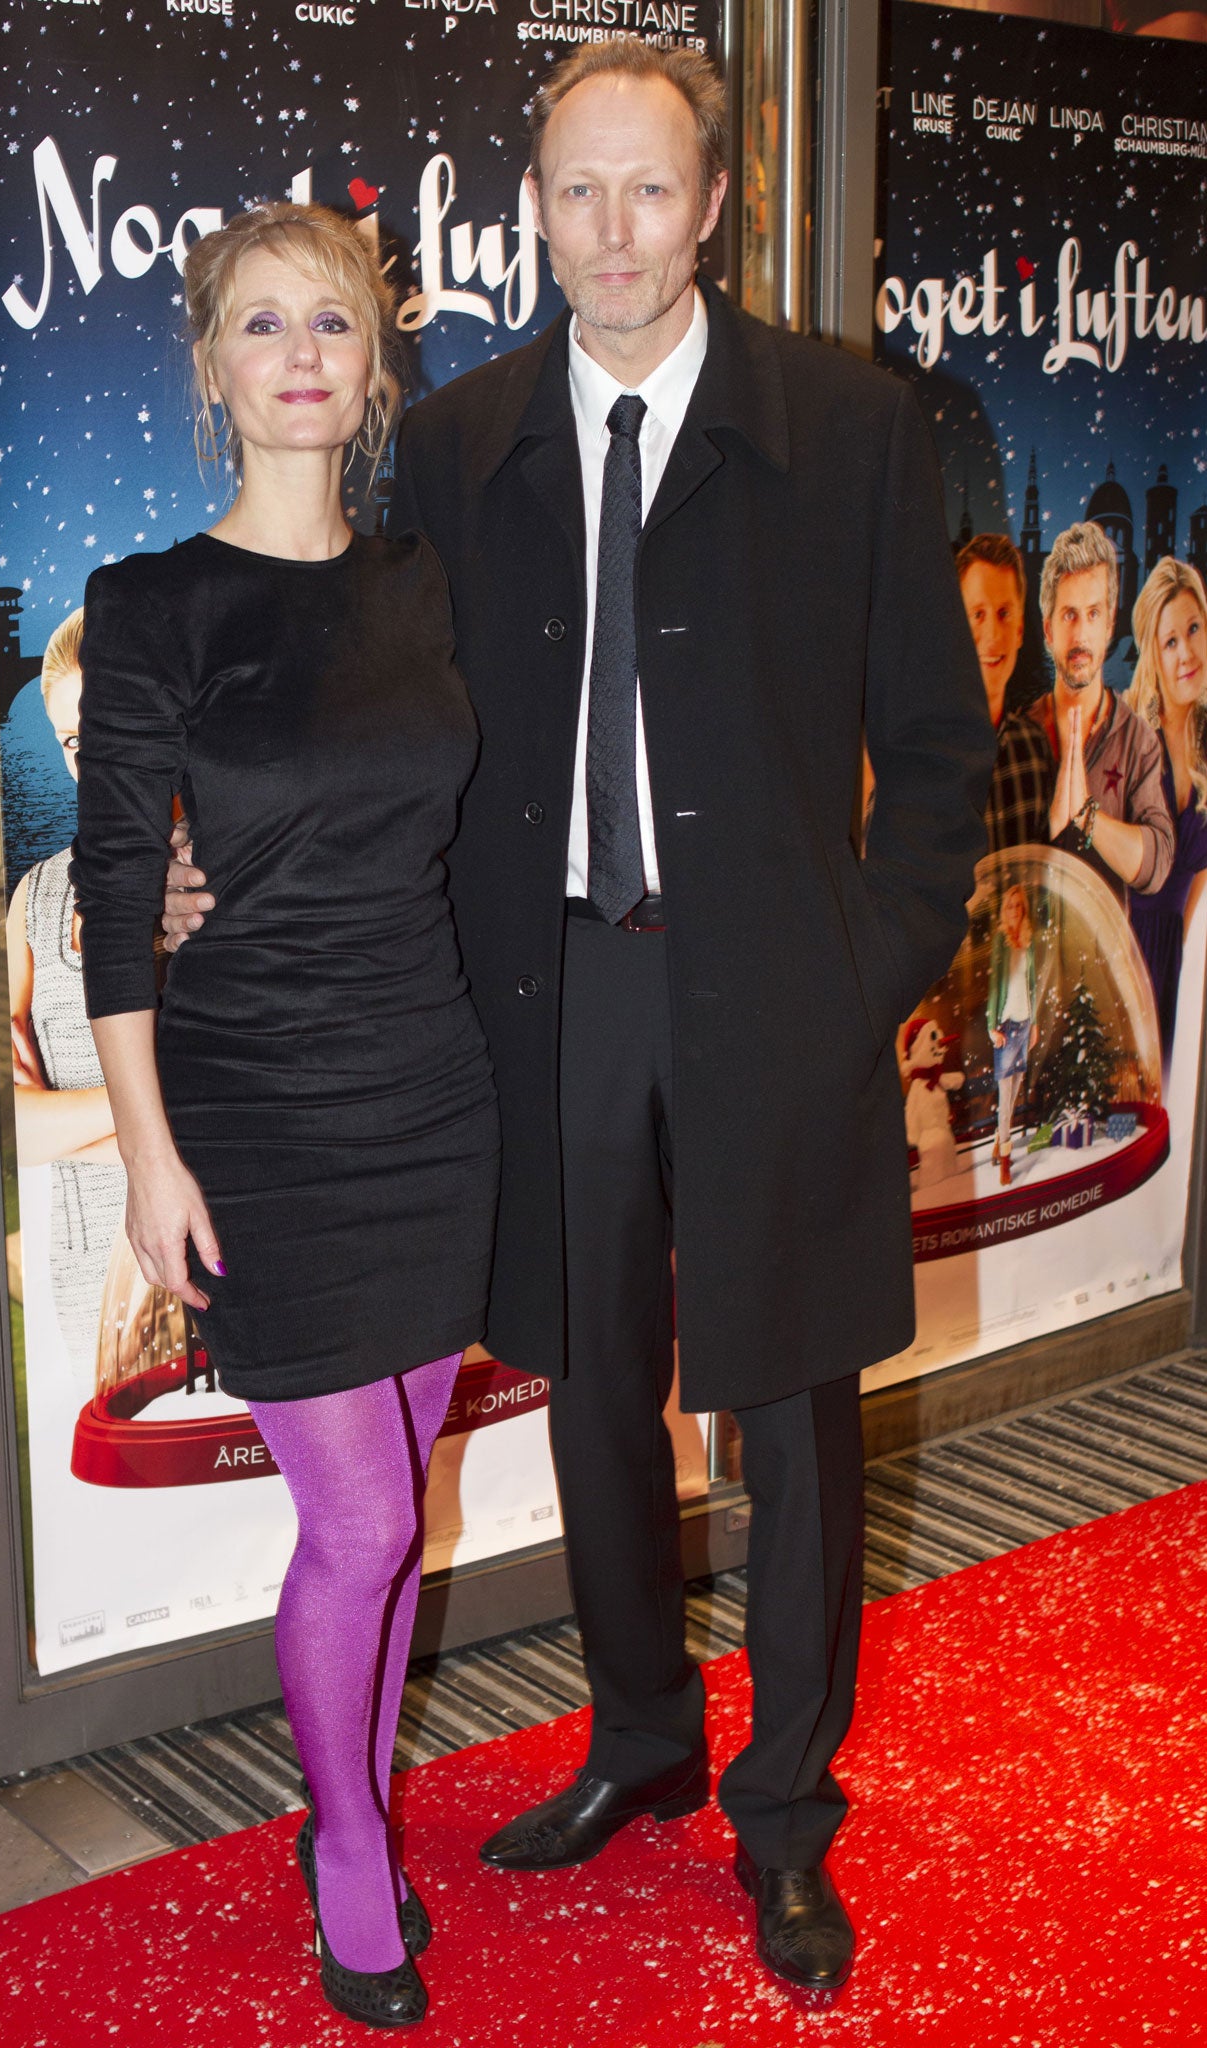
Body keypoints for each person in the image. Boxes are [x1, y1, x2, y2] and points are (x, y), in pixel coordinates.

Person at [166, 45, 991, 1996]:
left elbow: (942, 757)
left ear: (714, 203)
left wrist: (859, 975)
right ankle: (639, 1736)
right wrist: (211, 861)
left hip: (782, 987)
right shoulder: (456, 445)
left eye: (647, 192)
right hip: (546, 991)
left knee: (788, 1411)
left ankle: (787, 1814)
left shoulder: (851, 431)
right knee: (594, 1391)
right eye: (572, 191)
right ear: (529, 207)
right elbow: (366, 714)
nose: (608, 233)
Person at [71, 202, 500, 2031]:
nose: (303, 353)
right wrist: (150, 1147)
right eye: (262, 324)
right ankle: (344, 1850)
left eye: (334, 320)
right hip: (257, 1105)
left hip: (431, 1080)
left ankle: (364, 1799)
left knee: (398, 1514)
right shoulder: (155, 599)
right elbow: (109, 883)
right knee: (360, 1519)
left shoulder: (425, 579)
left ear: (377, 361)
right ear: (211, 367)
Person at [4, 608, 126, 1386]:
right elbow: (0, 1129)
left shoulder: (247, 877)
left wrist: (69, 1115)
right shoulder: (38, 897)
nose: (97, 761)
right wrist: (166, 1108)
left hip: (253, 1263)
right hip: (92, 1290)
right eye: (76, 743)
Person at [988, 521, 1173, 906]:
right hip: (1025, 960)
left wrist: (1088, 817)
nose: (1081, 636)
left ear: (1109, 625)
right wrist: (1051, 828)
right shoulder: (1015, 736)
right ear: (1048, 630)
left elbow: (1157, 864)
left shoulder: (1138, 741)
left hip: (1102, 964)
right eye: (1069, 615)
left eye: (1093, 614)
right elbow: (994, 865)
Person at [1126, 557, 1207, 1069]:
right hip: (1123, 964)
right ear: (1153, 653)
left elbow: (1198, 890)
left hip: (1179, 967)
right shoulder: (1129, 742)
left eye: (1195, 629)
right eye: (1170, 641)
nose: (1187, 654)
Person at [986, 883, 1039, 1187]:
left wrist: (1035, 1024)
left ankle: (997, 1140)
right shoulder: (1000, 942)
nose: (1015, 911)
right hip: (1006, 1027)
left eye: (1019, 906)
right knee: (1006, 1099)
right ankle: (1005, 1160)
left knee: (1015, 1091)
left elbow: (1031, 982)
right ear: (1004, 910)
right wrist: (991, 1026)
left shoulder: (1028, 942)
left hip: (1025, 1024)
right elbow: (994, 987)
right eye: (1010, 906)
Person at [957, 532, 1025, 733]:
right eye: (978, 614)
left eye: (1004, 613)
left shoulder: (1034, 746)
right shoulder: (916, 747)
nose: (993, 636)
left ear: (1019, 630)